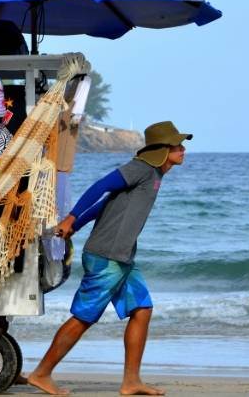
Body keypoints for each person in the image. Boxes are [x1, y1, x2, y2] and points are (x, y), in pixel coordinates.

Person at [28, 121, 192, 396]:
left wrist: (75, 226)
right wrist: (71, 217)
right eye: (177, 146)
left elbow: (106, 204)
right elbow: (101, 186)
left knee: (142, 309)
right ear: (163, 150)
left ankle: (131, 381)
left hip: (122, 257)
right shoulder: (140, 169)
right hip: (108, 256)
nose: (183, 150)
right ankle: (41, 373)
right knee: (84, 317)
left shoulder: (154, 175)